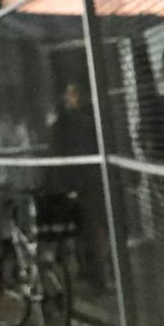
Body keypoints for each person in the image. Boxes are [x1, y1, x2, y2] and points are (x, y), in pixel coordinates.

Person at [47, 80, 107, 291]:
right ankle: (89, 271)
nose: (76, 97)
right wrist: (66, 186)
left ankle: (95, 273)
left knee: (91, 229)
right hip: (76, 184)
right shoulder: (62, 125)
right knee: (82, 231)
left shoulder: (90, 120)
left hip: (90, 183)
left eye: (78, 93)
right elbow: (58, 155)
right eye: (72, 94)